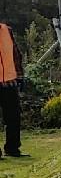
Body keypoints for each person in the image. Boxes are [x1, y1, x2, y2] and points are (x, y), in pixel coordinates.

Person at [0, 21, 25, 159]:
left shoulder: (6, 30)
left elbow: (16, 54)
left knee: (13, 117)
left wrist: (19, 76)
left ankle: (13, 148)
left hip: (10, 82)